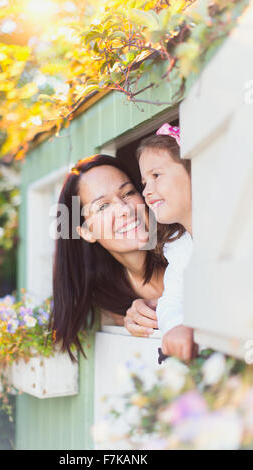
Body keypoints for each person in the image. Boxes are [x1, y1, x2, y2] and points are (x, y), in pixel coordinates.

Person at [49, 154, 181, 360]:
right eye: (103, 206)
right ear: (86, 232)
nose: (124, 209)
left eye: (128, 193)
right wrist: (132, 317)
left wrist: (163, 304)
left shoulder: (184, 245)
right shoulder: (108, 302)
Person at [125, 123, 197, 361]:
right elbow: (171, 300)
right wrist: (176, 326)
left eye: (156, 176)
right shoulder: (180, 249)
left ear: (195, 170)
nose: (146, 191)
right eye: (144, 183)